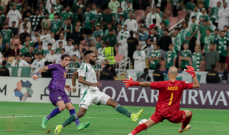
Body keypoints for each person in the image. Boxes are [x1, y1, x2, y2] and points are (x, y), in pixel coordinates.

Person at [54, 50, 143, 134]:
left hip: (96, 92)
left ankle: (132, 116)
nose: (95, 58)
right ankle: (61, 126)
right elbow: (80, 80)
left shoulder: (88, 67)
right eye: (93, 56)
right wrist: (92, 84)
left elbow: (74, 74)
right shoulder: (84, 65)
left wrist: (74, 86)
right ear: (88, 57)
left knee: (112, 102)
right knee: (81, 113)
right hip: (87, 92)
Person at [124, 65, 200, 135]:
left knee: (146, 124)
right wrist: (193, 74)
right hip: (174, 114)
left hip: (160, 112)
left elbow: (147, 84)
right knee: (189, 113)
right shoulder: (182, 84)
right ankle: (182, 129)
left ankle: (130, 134)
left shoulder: (163, 84)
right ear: (177, 74)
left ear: (168, 74)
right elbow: (196, 85)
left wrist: (135, 83)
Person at [32, 54, 89, 131]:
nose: (68, 62)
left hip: (62, 91)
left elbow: (58, 80)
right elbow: (44, 67)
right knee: (62, 107)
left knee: (71, 107)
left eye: (69, 60)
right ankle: (46, 118)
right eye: (66, 60)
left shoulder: (64, 70)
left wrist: (65, 86)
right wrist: (37, 74)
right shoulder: (56, 66)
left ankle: (79, 125)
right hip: (54, 90)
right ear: (61, 60)